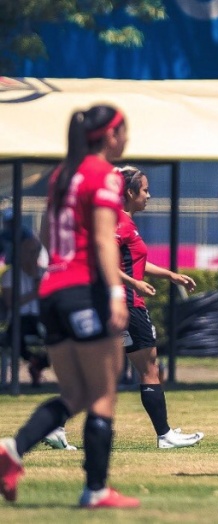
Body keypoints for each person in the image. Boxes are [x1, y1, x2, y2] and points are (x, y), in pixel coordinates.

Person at [0, 105, 139, 508]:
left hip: (52, 291)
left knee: (75, 393)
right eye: (124, 132)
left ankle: (12, 448)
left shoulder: (63, 174)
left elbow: (45, 232)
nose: (127, 139)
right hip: (84, 290)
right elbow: (101, 239)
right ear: (110, 136)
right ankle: (96, 489)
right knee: (103, 391)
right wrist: (115, 293)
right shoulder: (102, 175)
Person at [42, 166, 205, 450]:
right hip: (126, 304)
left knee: (102, 370)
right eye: (144, 190)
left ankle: (55, 425)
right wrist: (134, 284)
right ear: (129, 193)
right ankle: (165, 435)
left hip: (119, 301)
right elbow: (103, 263)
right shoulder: (117, 222)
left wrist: (170, 275)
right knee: (148, 367)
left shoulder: (123, 222)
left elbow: (135, 262)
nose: (149, 195)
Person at [1, 237, 51, 389]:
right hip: (19, 318)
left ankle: (38, 363)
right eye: (30, 252)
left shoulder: (45, 274)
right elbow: (10, 303)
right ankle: (34, 361)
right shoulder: (11, 275)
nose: (33, 255)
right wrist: (34, 293)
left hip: (40, 318)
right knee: (14, 335)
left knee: (60, 336)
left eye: (36, 251)